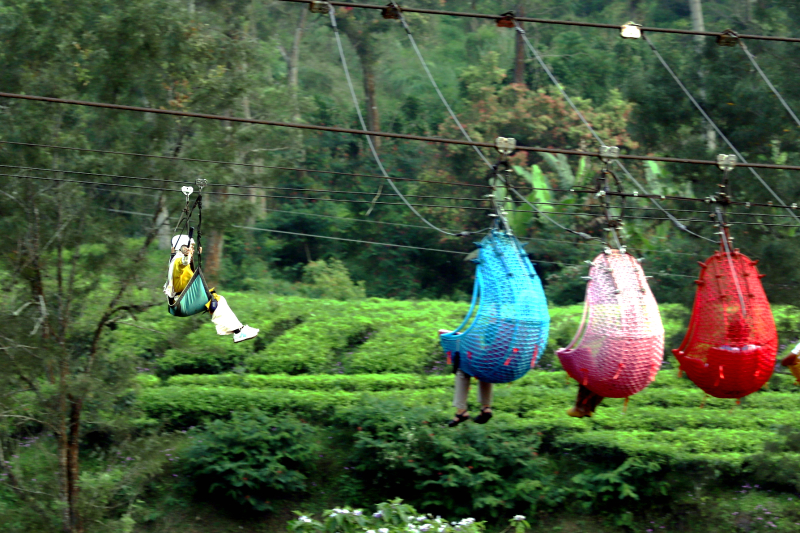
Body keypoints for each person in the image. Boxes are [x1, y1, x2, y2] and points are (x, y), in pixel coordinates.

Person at [164, 235, 259, 343]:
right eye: (191, 247)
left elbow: (185, 264)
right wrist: (186, 255)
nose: (193, 250)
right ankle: (238, 332)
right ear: (183, 248)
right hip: (182, 302)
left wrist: (190, 254)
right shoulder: (177, 261)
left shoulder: (176, 260)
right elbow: (183, 262)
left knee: (219, 299)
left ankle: (238, 330)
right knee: (214, 302)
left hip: (184, 300)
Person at [444, 345, 493, 426]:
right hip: (507, 362)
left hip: (493, 358)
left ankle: (461, 410)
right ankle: (486, 407)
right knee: (485, 367)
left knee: (462, 368)